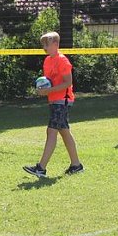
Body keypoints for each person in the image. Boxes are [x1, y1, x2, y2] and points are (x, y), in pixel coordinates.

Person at [23, 31, 84, 178]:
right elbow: (48, 81)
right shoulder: (47, 61)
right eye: (43, 44)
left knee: (51, 132)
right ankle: (76, 165)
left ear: (56, 44)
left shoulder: (63, 61)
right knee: (64, 132)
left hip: (63, 100)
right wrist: (43, 91)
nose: (44, 47)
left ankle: (41, 168)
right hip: (54, 100)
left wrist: (49, 90)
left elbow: (68, 83)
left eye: (47, 44)